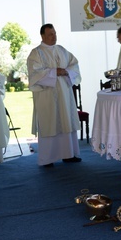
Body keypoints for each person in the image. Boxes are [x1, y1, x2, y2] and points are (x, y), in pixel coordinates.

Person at [27, 24, 82, 167]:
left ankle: (69, 154)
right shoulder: (36, 53)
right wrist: (54, 72)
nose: (54, 36)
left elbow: (74, 64)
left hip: (64, 94)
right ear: (43, 36)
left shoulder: (62, 50)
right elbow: (35, 74)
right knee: (49, 122)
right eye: (50, 34)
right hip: (47, 95)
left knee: (65, 121)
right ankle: (48, 158)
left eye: (55, 33)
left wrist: (66, 71)